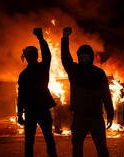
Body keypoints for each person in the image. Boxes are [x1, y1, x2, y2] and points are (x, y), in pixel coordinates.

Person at [61, 27, 114, 157]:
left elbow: (106, 95)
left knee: (102, 147)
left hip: (96, 116)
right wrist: (65, 38)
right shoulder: (74, 70)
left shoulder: (99, 73)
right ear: (78, 57)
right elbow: (65, 57)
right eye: (81, 56)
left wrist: (110, 112)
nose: (83, 58)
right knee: (77, 147)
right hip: (79, 116)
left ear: (90, 57)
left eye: (86, 56)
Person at [17, 28, 57, 157]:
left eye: (31, 55)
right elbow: (21, 96)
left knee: (38, 140)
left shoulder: (37, 69)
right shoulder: (34, 71)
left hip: (37, 110)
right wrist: (19, 114)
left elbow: (47, 55)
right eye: (29, 55)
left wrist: (41, 38)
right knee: (41, 140)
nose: (30, 57)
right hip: (35, 110)